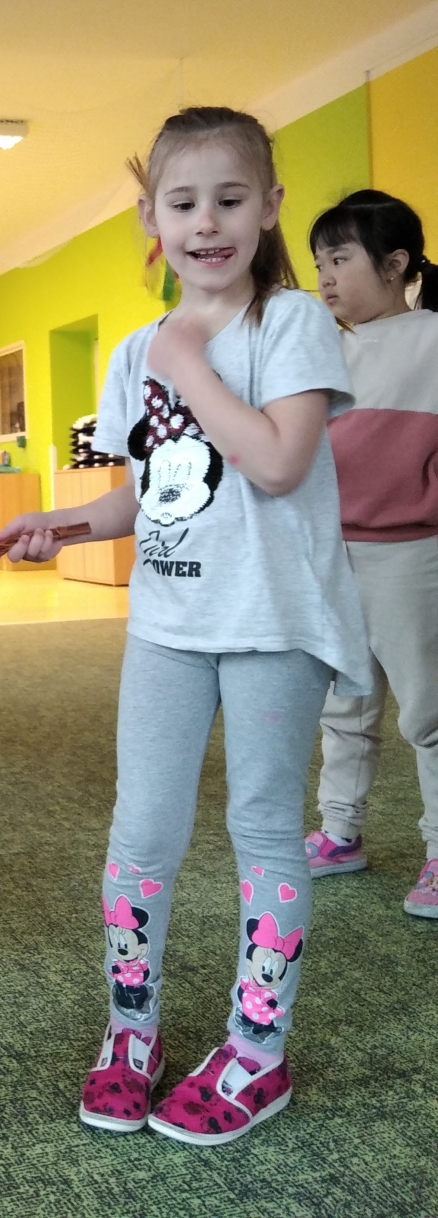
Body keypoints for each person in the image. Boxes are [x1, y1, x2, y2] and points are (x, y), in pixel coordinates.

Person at [0, 107, 369, 1146]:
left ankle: (257, 1050)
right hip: (167, 623)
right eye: (183, 202)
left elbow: (279, 461)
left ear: (269, 208)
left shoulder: (288, 323)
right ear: (150, 218)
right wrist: (64, 524)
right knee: (141, 831)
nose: (206, 222)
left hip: (271, 623)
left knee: (264, 829)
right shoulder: (135, 352)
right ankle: (133, 1033)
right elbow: (148, 492)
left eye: (229, 199)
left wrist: (188, 359)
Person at [304, 190, 438, 918]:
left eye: (340, 258)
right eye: (318, 262)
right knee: (345, 706)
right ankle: (339, 833)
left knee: (428, 710)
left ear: (394, 264)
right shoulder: (326, 349)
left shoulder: (432, 339)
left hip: (412, 555)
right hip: (337, 554)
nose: (325, 276)